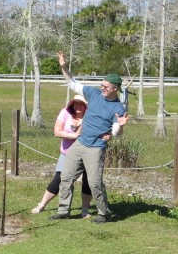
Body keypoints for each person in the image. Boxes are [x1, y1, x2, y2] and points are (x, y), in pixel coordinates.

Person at [50, 51, 130, 223]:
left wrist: (121, 126)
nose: (102, 87)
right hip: (79, 143)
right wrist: (63, 66)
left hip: (95, 148)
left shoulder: (118, 109)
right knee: (66, 177)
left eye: (106, 86)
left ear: (115, 89)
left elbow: (116, 134)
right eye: (102, 84)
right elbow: (72, 83)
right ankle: (63, 211)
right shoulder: (93, 94)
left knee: (94, 183)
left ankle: (104, 213)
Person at [31, 94, 94, 216]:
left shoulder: (90, 116)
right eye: (75, 103)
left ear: (86, 106)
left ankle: (85, 210)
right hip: (68, 153)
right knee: (59, 178)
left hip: (87, 152)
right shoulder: (65, 113)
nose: (78, 106)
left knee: (88, 181)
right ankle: (42, 205)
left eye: (81, 103)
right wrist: (73, 136)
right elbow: (57, 131)